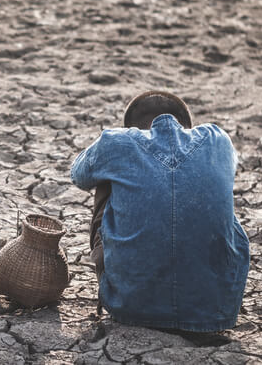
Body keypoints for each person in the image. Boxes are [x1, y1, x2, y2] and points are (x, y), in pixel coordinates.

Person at [70, 91, 249, 332]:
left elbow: (79, 175)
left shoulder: (117, 142)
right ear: (186, 127)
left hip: (128, 306)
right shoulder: (217, 139)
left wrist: (118, 147)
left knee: (106, 179)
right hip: (215, 311)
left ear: (132, 128)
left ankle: (122, 285)